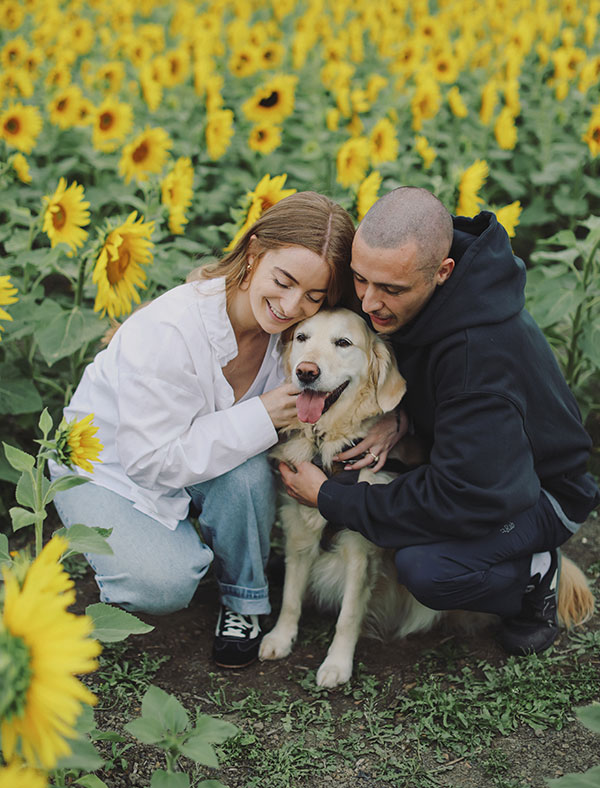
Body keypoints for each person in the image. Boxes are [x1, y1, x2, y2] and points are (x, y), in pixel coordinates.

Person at [280, 186, 599, 655]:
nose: (368, 303)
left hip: (536, 491)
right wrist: (404, 417)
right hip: (478, 463)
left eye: (390, 289)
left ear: (443, 272)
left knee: (428, 567)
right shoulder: (404, 280)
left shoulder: (477, 360)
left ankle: (535, 577)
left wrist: (329, 499)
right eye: (360, 279)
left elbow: (464, 496)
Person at [50, 191, 355, 668]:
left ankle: (244, 599)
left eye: (313, 296)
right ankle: (162, 550)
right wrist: (262, 416)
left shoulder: (293, 337)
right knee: (162, 583)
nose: (292, 305)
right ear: (253, 252)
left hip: (194, 458)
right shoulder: (170, 331)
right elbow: (150, 462)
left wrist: (393, 424)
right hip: (104, 466)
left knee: (249, 470)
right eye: (284, 281)